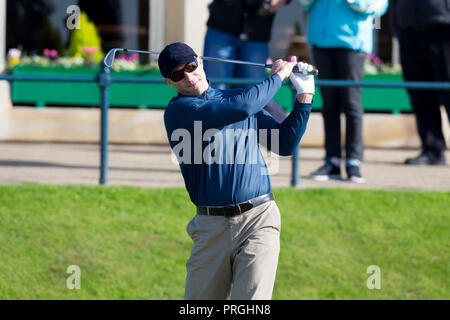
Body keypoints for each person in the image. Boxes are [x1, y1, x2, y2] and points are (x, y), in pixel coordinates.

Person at [159, 42, 315, 299]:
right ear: (169, 82)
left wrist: (304, 96)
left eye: (190, 66)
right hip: (210, 228)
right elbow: (241, 108)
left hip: (259, 219)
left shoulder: (238, 100)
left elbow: (284, 144)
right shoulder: (179, 111)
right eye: (178, 74)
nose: (188, 76)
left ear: (200, 61)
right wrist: (278, 76)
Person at [299, 0, 388, 183]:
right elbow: (303, 4)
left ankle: (353, 161)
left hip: (352, 43)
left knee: (351, 103)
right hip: (321, 41)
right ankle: (332, 161)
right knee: (330, 104)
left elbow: (379, 6)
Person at [204, 0, 292, 122]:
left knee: (253, 92)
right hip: (222, 23)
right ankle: (214, 136)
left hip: (258, 29)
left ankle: (246, 137)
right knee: (215, 89)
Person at [391, 0, 450, 166]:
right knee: (420, 96)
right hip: (409, 33)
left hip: (444, 30)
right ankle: (432, 151)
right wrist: (399, 29)